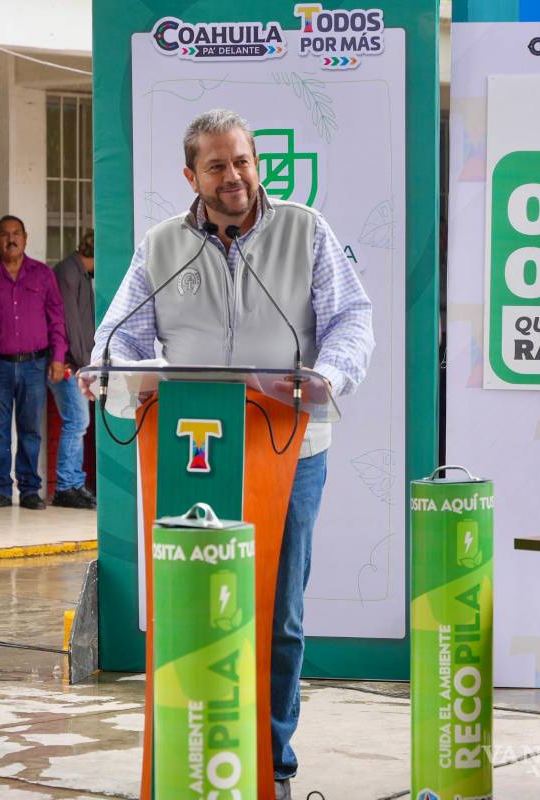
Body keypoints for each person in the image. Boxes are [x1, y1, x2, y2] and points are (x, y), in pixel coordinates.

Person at [90, 109, 374, 800]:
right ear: (191, 176)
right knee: (195, 603)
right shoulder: (162, 246)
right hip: (193, 453)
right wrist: (111, 371)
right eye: (216, 166)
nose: (233, 177)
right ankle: (192, 746)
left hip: (289, 449)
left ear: (257, 163)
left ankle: (270, 757)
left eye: (242, 161)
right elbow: (118, 341)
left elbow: (350, 318)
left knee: (278, 608)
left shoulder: (304, 230)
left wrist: (326, 377)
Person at [0, 215, 67, 510]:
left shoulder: (42, 274)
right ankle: (0, 489)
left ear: (25, 237)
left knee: (30, 429)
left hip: (34, 365)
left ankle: (29, 490)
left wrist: (58, 357)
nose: (11, 239)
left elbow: (56, 318)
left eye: (16, 233)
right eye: (4, 234)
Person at [49, 229, 97, 509]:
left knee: (78, 422)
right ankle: (67, 485)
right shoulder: (69, 273)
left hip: (74, 361)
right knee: (77, 422)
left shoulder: (76, 272)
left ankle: (74, 482)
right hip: (70, 363)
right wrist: (82, 361)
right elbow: (70, 323)